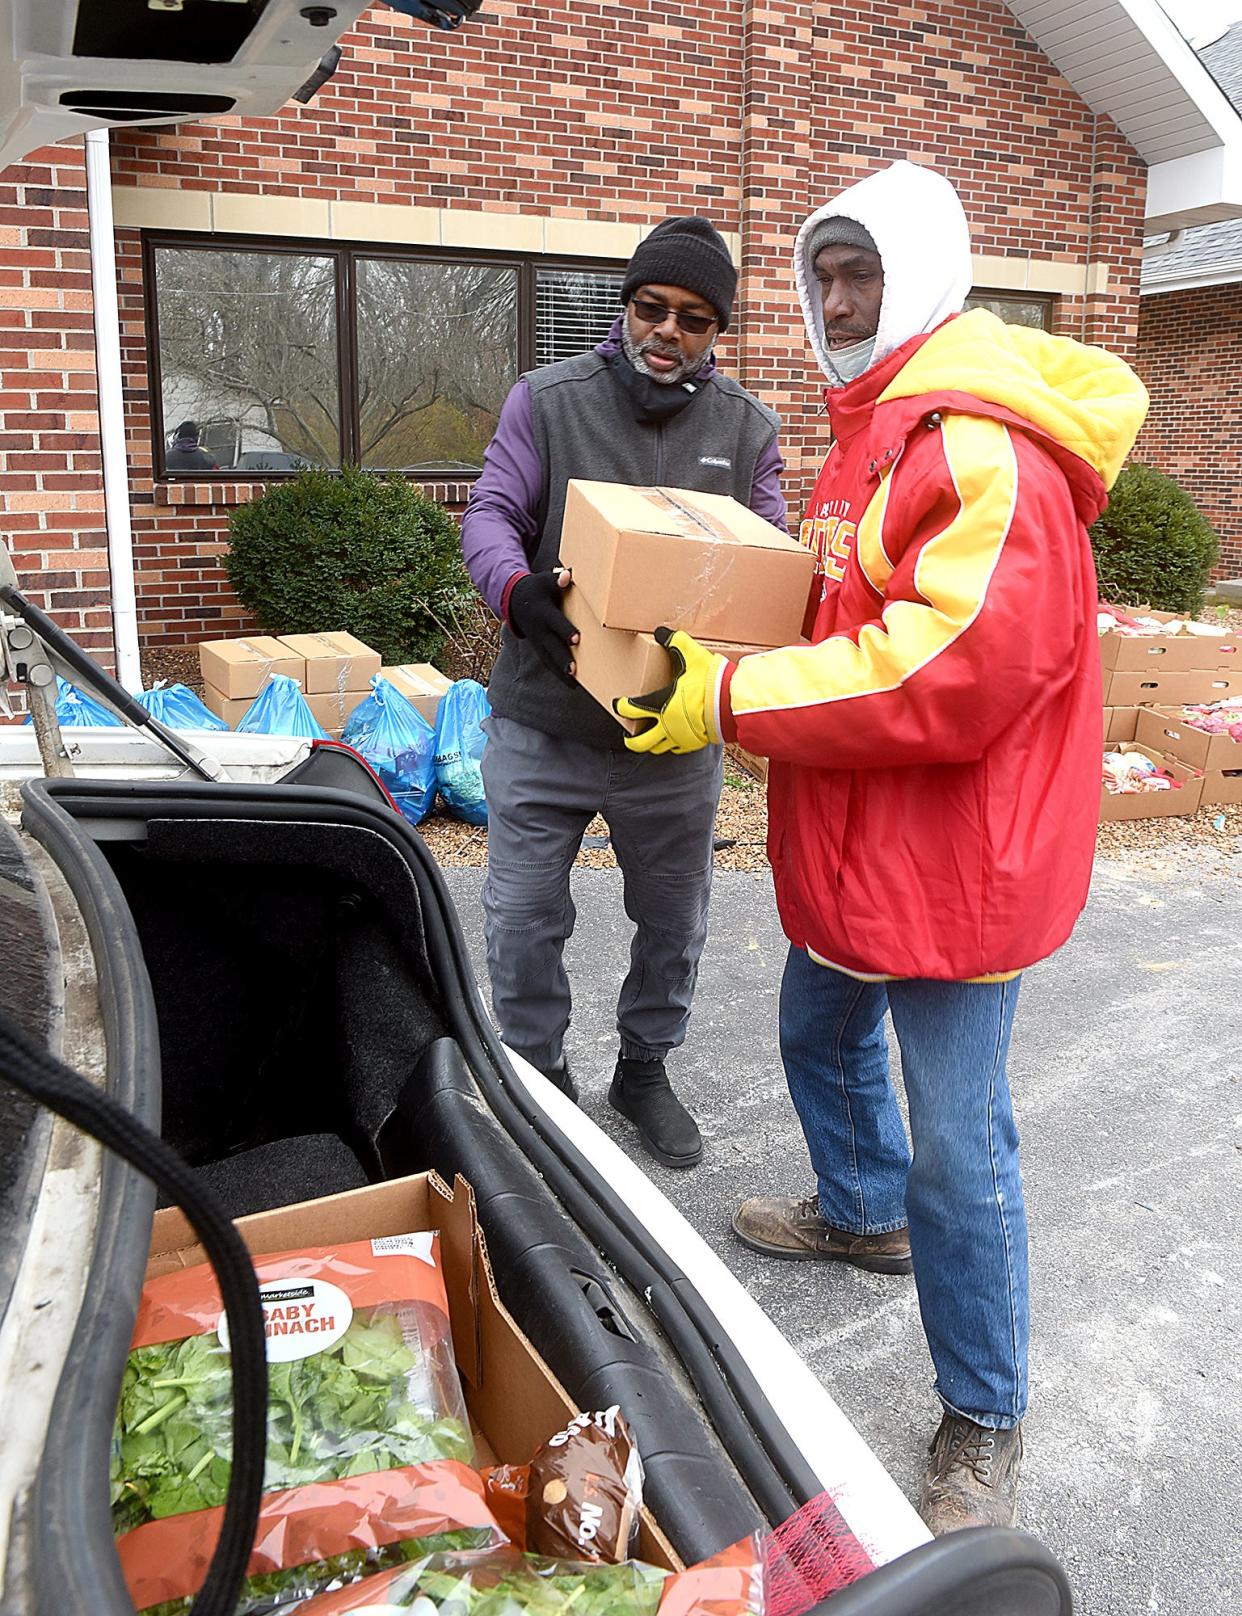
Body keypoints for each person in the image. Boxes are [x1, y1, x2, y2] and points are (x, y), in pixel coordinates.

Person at [615, 162, 1148, 1528]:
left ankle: (981, 1414)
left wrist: (724, 697)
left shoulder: (980, 446)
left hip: (954, 870)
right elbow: (839, 614)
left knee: (959, 1153)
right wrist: (708, 617)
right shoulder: (873, 434)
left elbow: (951, 662)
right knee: (813, 1025)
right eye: (823, 274)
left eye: (860, 272)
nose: (837, 300)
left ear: (919, 275)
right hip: (858, 853)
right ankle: (858, 1215)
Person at [460, 216, 785, 1169]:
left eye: (694, 318)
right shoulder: (549, 401)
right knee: (521, 914)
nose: (668, 332)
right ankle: (536, 1076)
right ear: (626, 307)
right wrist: (515, 592)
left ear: (717, 330)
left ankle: (644, 1069)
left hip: (672, 738)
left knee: (673, 918)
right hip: (544, 720)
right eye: (652, 309)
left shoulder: (746, 429)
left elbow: (766, 566)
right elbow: (491, 511)